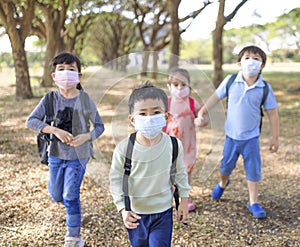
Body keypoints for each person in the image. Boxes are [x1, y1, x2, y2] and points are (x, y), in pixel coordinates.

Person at [26, 52, 105, 246]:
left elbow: (99, 126)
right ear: (54, 76)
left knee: (70, 195)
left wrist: (86, 137)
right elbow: (31, 121)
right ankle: (72, 208)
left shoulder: (85, 100)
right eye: (61, 69)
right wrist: (54, 130)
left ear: (79, 76)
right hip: (55, 155)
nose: (66, 73)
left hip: (79, 156)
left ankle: (74, 236)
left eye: (71, 69)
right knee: (56, 195)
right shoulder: (50, 99)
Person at [195, 45, 279, 218]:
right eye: (247, 57)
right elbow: (215, 98)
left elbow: (272, 113)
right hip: (231, 137)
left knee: (254, 170)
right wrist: (202, 112)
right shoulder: (231, 81)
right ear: (239, 62)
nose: (251, 62)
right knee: (225, 167)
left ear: (262, 66)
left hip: (251, 138)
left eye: (256, 59)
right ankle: (223, 183)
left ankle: (253, 202)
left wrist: (275, 138)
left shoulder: (264, 88)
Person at [109, 83, 190, 247]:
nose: (149, 117)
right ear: (132, 119)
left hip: (163, 212)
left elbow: (180, 173)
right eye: (143, 113)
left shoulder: (174, 145)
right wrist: (122, 209)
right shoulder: (124, 148)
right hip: (136, 213)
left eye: (156, 112)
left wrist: (183, 201)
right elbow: (116, 180)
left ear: (166, 116)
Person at [164, 68, 208, 212]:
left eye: (183, 85)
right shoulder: (167, 104)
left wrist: (201, 120)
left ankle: (185, 199)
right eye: (175, 85)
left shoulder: (191, 103)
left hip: (188, 145)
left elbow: (202, 117)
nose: (179, 88)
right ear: (168, 87)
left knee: (186, 171)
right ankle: (168, 196)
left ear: (189, 85)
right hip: (169, 145)